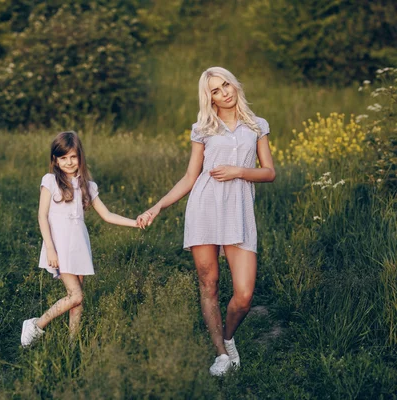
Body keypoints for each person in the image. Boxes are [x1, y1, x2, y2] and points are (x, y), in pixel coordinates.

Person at [137, 67, 275, 376]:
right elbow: (190, 177)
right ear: (208, 96)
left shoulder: (256, 125)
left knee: (244, 294)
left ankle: (228, 337)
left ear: (234, 84)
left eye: (226, 84)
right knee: (208, 283)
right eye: (215, 89)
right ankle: (222, 354)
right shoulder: (203, 128)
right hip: (204, 208)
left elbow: (269, 172)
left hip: (238, 211)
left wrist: (238, 171)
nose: (224, 92)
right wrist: (157, 207)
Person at [21, 131, 139, 347]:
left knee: (78, 298)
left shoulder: (88, 186)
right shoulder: (50, 181)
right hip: (59, 246)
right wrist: (50, 249)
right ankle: (37, 324)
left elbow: (107, 215)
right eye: (63, 157)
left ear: (80, 157)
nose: (69, 162)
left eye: (73, 157)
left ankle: (72, 344)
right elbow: (42, 216)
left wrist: (135, 222)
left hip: (79, 246)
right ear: (55, 159)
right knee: (75, 296)